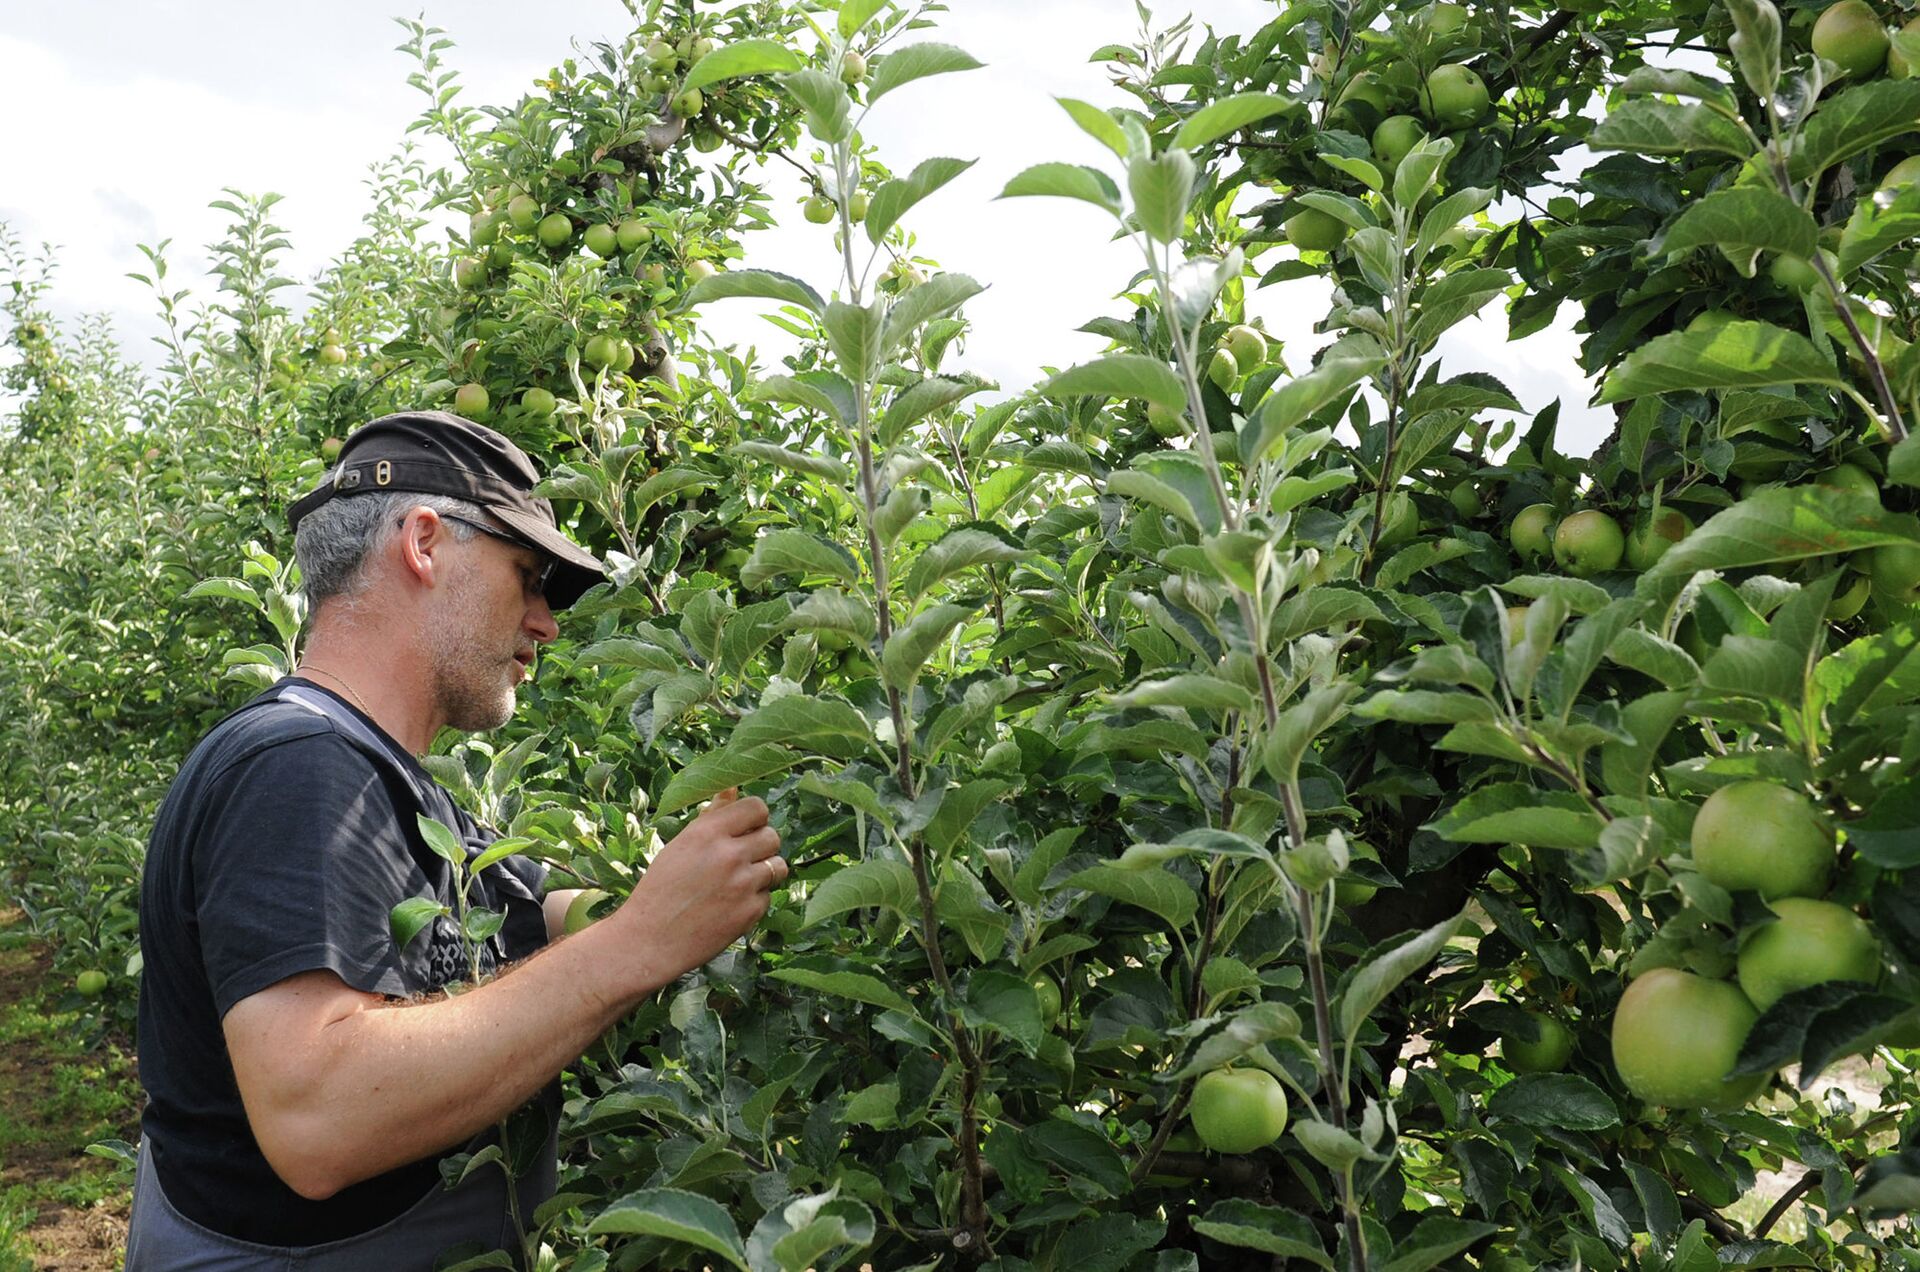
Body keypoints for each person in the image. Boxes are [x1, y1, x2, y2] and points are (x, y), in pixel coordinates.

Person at [125, 411, 789, 1269]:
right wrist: (641, 941)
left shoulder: (383, 779)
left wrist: (674, 890)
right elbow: (317, 1116)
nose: (546, 622)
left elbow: (523, 917)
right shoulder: (296, 770)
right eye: (530, 575)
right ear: (426, 543)